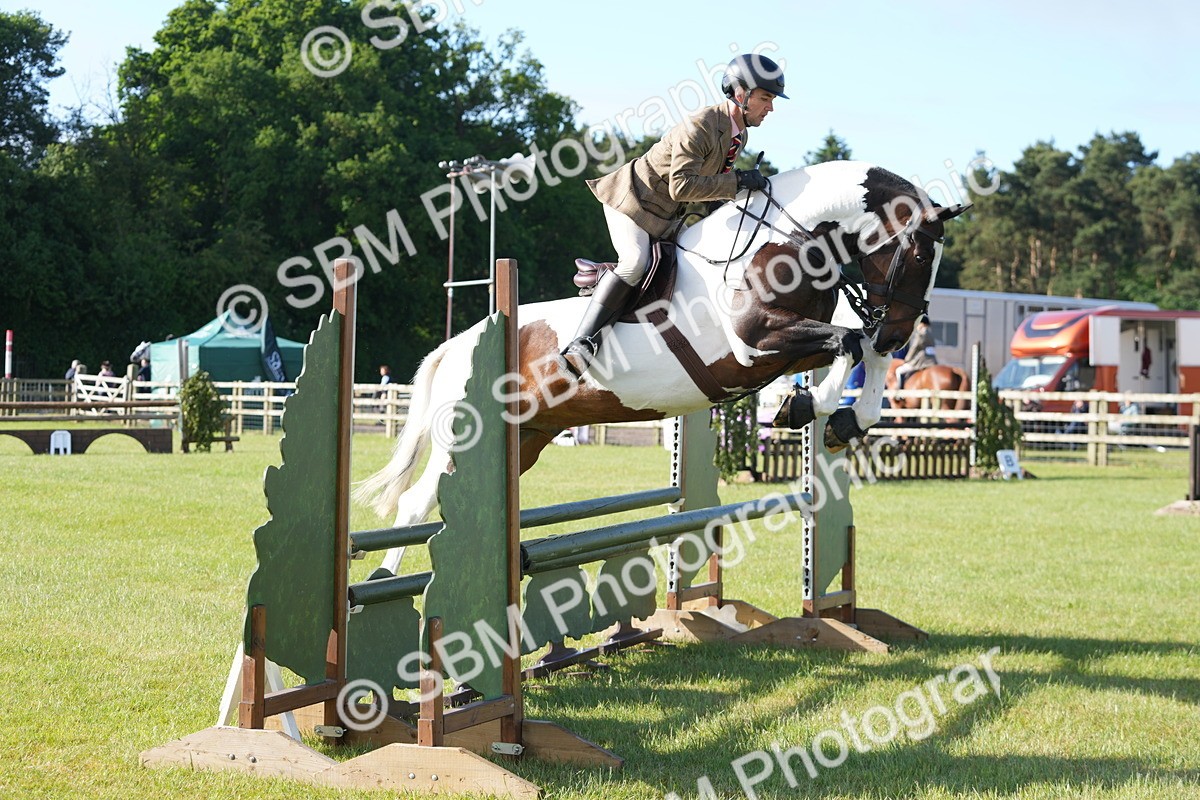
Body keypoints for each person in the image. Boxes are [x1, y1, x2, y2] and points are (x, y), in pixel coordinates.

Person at [559, 53, 788, 380]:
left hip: (667, 217)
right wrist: (737, 182)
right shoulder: (701, 125)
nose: (770, 108)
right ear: (741, 94)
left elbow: (710, 186)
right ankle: (581, 345)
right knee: (635, 262)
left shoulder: (740, 134)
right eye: (766, 98)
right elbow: (681, 186)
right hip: (632, 203)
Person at [894, 316, 937, 389]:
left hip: (921, 361)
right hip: (932, 361)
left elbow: (914, 347)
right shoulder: (930, 334)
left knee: (899, 371)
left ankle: (900, 391)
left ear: (922, 323)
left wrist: (907, 359)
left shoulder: (921, 333)